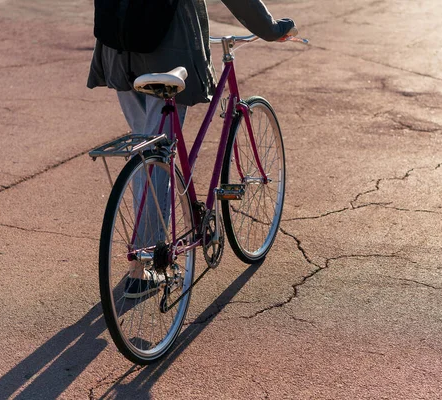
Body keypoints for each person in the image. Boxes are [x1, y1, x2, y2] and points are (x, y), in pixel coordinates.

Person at [87, 0, 295, 297]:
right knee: (158, 154)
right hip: (166, 53)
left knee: (145, 150)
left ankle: (144, 255)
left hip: (117, 48)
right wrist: (271, 30)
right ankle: (147, 264)